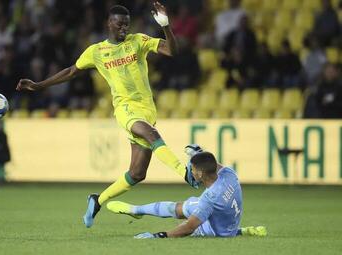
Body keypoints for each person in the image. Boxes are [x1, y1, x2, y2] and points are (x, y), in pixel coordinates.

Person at [15, 2, 198, 228]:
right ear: (108, 24)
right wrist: (39, 85)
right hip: (125, 109)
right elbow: (72, 71)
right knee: (152, 135)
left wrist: (165, 25)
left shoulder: (138, 41)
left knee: (137, 173)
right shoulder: (97, 51)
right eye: (120, 24)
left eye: (127, 25)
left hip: (146, 109)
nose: (124, 29)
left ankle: (97, 200)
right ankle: (185, 173)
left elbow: (172, 51)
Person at [107, 151, 267, 238]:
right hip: (229, 225)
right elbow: (213, 163)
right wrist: (198, 152)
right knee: (186, 208)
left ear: (200, 173)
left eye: (192, 169)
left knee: (179, 214)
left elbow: (190, 228)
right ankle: (241, 231)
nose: (190, 171)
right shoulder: (229, 174)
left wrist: (158, 236)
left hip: (215, 232)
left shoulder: (209, 198)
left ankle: (136, 210)